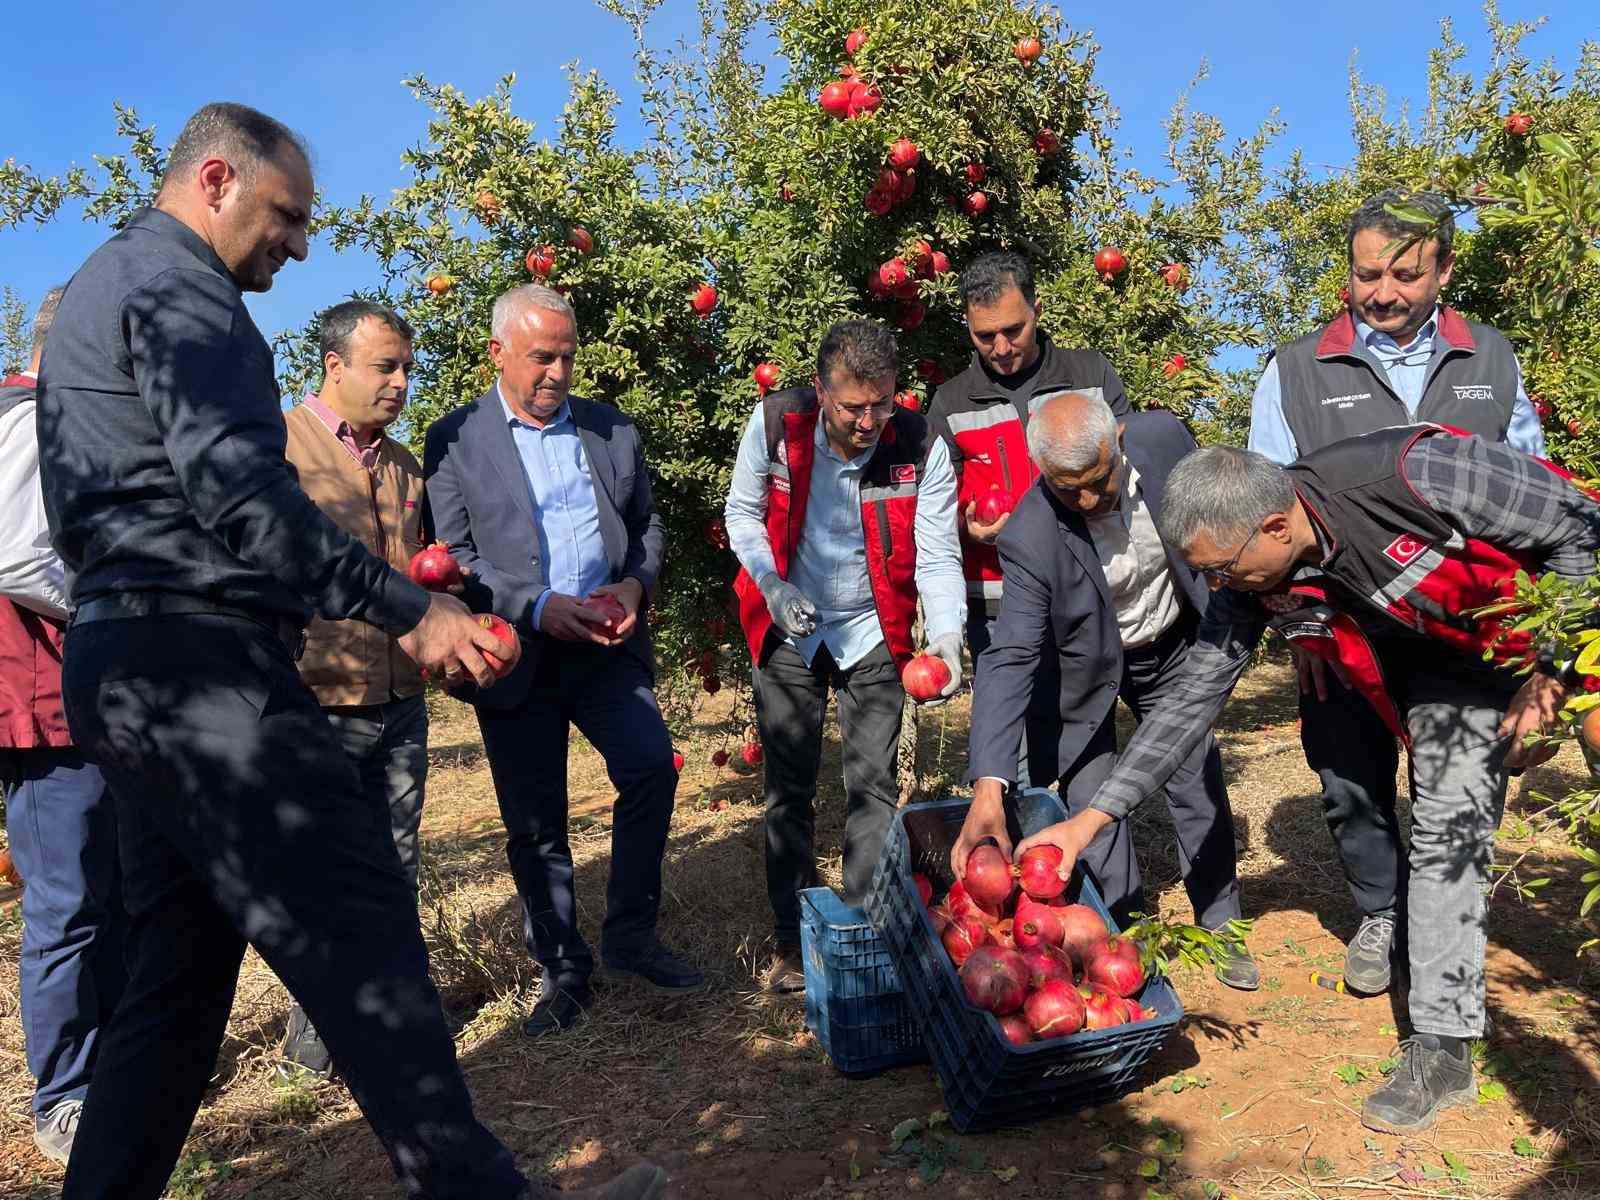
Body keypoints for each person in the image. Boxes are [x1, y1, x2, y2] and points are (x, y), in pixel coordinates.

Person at [36, 102, 663, 1200]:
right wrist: (407, 609)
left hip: (121, 665)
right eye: (286, 215)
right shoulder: (189, 293)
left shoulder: (99, 284)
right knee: (369, 939)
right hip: (202, 668)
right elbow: (245, 501)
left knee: (173, 994)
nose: (299, 244)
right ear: (218, 179)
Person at [1013, 427, 1600, 1134]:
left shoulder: (1417, 474)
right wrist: (1094, 818)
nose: (1219, 589)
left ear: (1276, 525)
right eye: (1207, 576)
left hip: (1553, 631)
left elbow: (1580, 530)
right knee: (1447, 829)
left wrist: (1552, 673)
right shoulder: (1255, 574)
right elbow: (1188, 702)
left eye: (1225, 571)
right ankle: (1443, 1052)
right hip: (1444, 665)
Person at [1248, 189, 1548, 993]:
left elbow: (1533, 489)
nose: (1381, 292)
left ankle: (1440, 921)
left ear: (1444, 269)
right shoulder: (1296, 369)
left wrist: (1534, 637)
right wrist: (1304, 623)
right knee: (1348, 780)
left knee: (1460, 782)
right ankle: (1382, 909)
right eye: (1365, 273)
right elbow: (1272, 511)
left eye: (1404, 274)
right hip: (1346, 620)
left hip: (1465, 618)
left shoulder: (1492, 359)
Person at [424, 283, 702, 1040]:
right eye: (540, 356)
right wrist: (539, 606)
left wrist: (634, 584)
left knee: (650, 766)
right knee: (535, 820)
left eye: (566, 356)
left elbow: (647, 528)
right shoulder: (453, 441)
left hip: (606, 648)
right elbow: (458, 560)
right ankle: (562, 966)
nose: (556, 371)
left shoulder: (613, 432)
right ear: (498, 353)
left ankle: (632, 937)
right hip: (516, 654)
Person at [950, 393, 1257, 987]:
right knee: (1094, 800)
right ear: (1043, 474)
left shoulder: (1165, 439)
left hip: (1171, 645)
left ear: (1118, 441)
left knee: (1194, 778)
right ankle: (1125, 936)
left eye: (1097, 481)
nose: (1087, 500)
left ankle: (1221, 924)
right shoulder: (1029, 535)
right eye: (1069, 490)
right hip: (1083, 676)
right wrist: (989, 787)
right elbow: (1011, 656)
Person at [725, 318, 966, 991]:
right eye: (853, 406)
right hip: (790, 627)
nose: (868, 421)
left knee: (874, 788)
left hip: (873, 631)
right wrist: (770, 584)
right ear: (821, 391)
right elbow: (742, 512)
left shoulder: (920, 443)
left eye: (882, 403)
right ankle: (791, 940)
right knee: (788, 790)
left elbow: (940, 551)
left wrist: (945, 635)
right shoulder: (776, 422)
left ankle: (860, 930)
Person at [276, 299, 436, 1078]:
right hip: (317, 701)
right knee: (319, 873)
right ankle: (315, 1038)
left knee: (394, 862)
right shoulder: (280, 447)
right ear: (334, 365)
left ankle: (390, 1014)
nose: (402, 382)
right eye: (386, 367)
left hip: (402, 701)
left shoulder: (407, 466)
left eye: (407, 367)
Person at [0, 287, 127, 1166]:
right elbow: (16, 551)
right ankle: (65, 1094)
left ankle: (113, 1065)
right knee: (65, 902)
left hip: (89, 701)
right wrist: (108, 609)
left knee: (108, 889)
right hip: (42, 706)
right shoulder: (26, 415)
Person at [928, 251, 1131, 785]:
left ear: (1037, 311)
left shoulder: (1090, 375)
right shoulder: (949, 403)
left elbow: (1121, 473)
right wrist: (966, 530)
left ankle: (1081, 853)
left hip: (1086, 591)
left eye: (1012, 330)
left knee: (1085, 737)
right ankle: (1024, 852)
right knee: (1011, 753)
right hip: (997, 604)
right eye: (984, 336)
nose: (1001, 348)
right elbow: (934, 509)